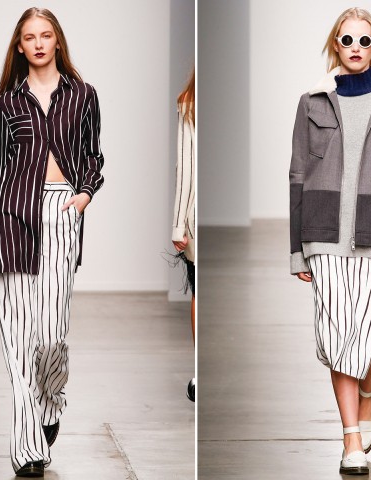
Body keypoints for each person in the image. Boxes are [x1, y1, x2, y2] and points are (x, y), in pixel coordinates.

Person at [288, 7, 371, 475]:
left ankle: (368, 392)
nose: (356, 48)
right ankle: (351, 440)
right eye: (347, 40)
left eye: (364, 40)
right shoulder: (312, 102)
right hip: (323, 236)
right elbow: (297, 175)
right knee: (338, 338)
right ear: (336, 44)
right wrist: (295, 250)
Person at [0, 7, 104, 477]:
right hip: (13, 217)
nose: (38, 44)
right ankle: (28, 448)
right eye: (29, 37)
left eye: (45, 35)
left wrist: (83, 195)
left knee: (51, 335)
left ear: (57, 41)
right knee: (17, 341)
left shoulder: (83, 95)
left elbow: (93, 155)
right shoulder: (8, 103)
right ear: (20, 46)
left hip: (61, 213)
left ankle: (50, 403)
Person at [172, 68, 196, 402]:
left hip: (196, 211)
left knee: (199, 290)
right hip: (199, 210)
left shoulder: (190, 102)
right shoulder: (189, 102)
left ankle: (198, 372)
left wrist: (178, 223)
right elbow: (186, 167)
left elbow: (186, 167)